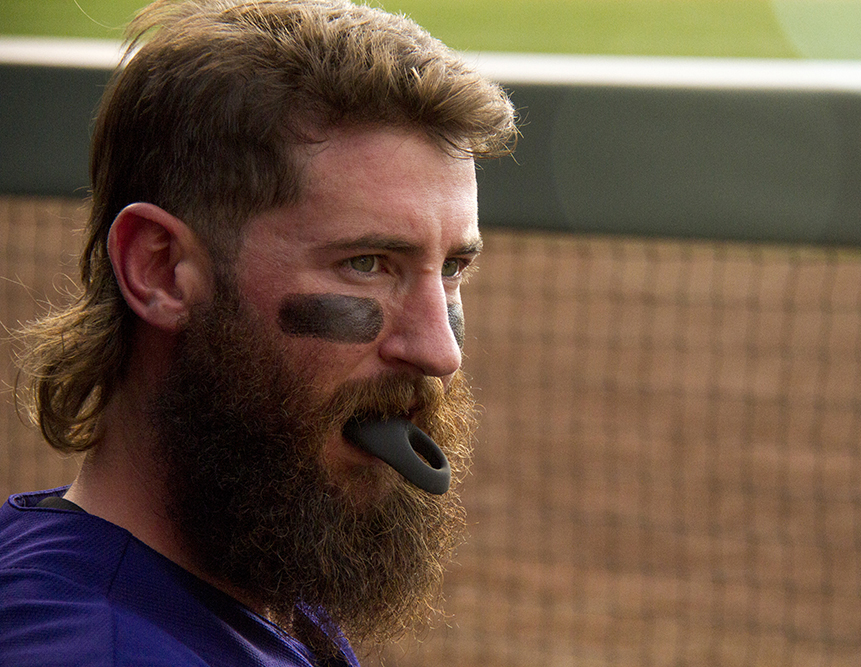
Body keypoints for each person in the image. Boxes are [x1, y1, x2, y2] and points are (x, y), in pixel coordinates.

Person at [0, 1, 516, 665]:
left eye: (451, 269)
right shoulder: (96, 649)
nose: (439, 351)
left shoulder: (250, 571)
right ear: (160, 268)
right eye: (367, 264)